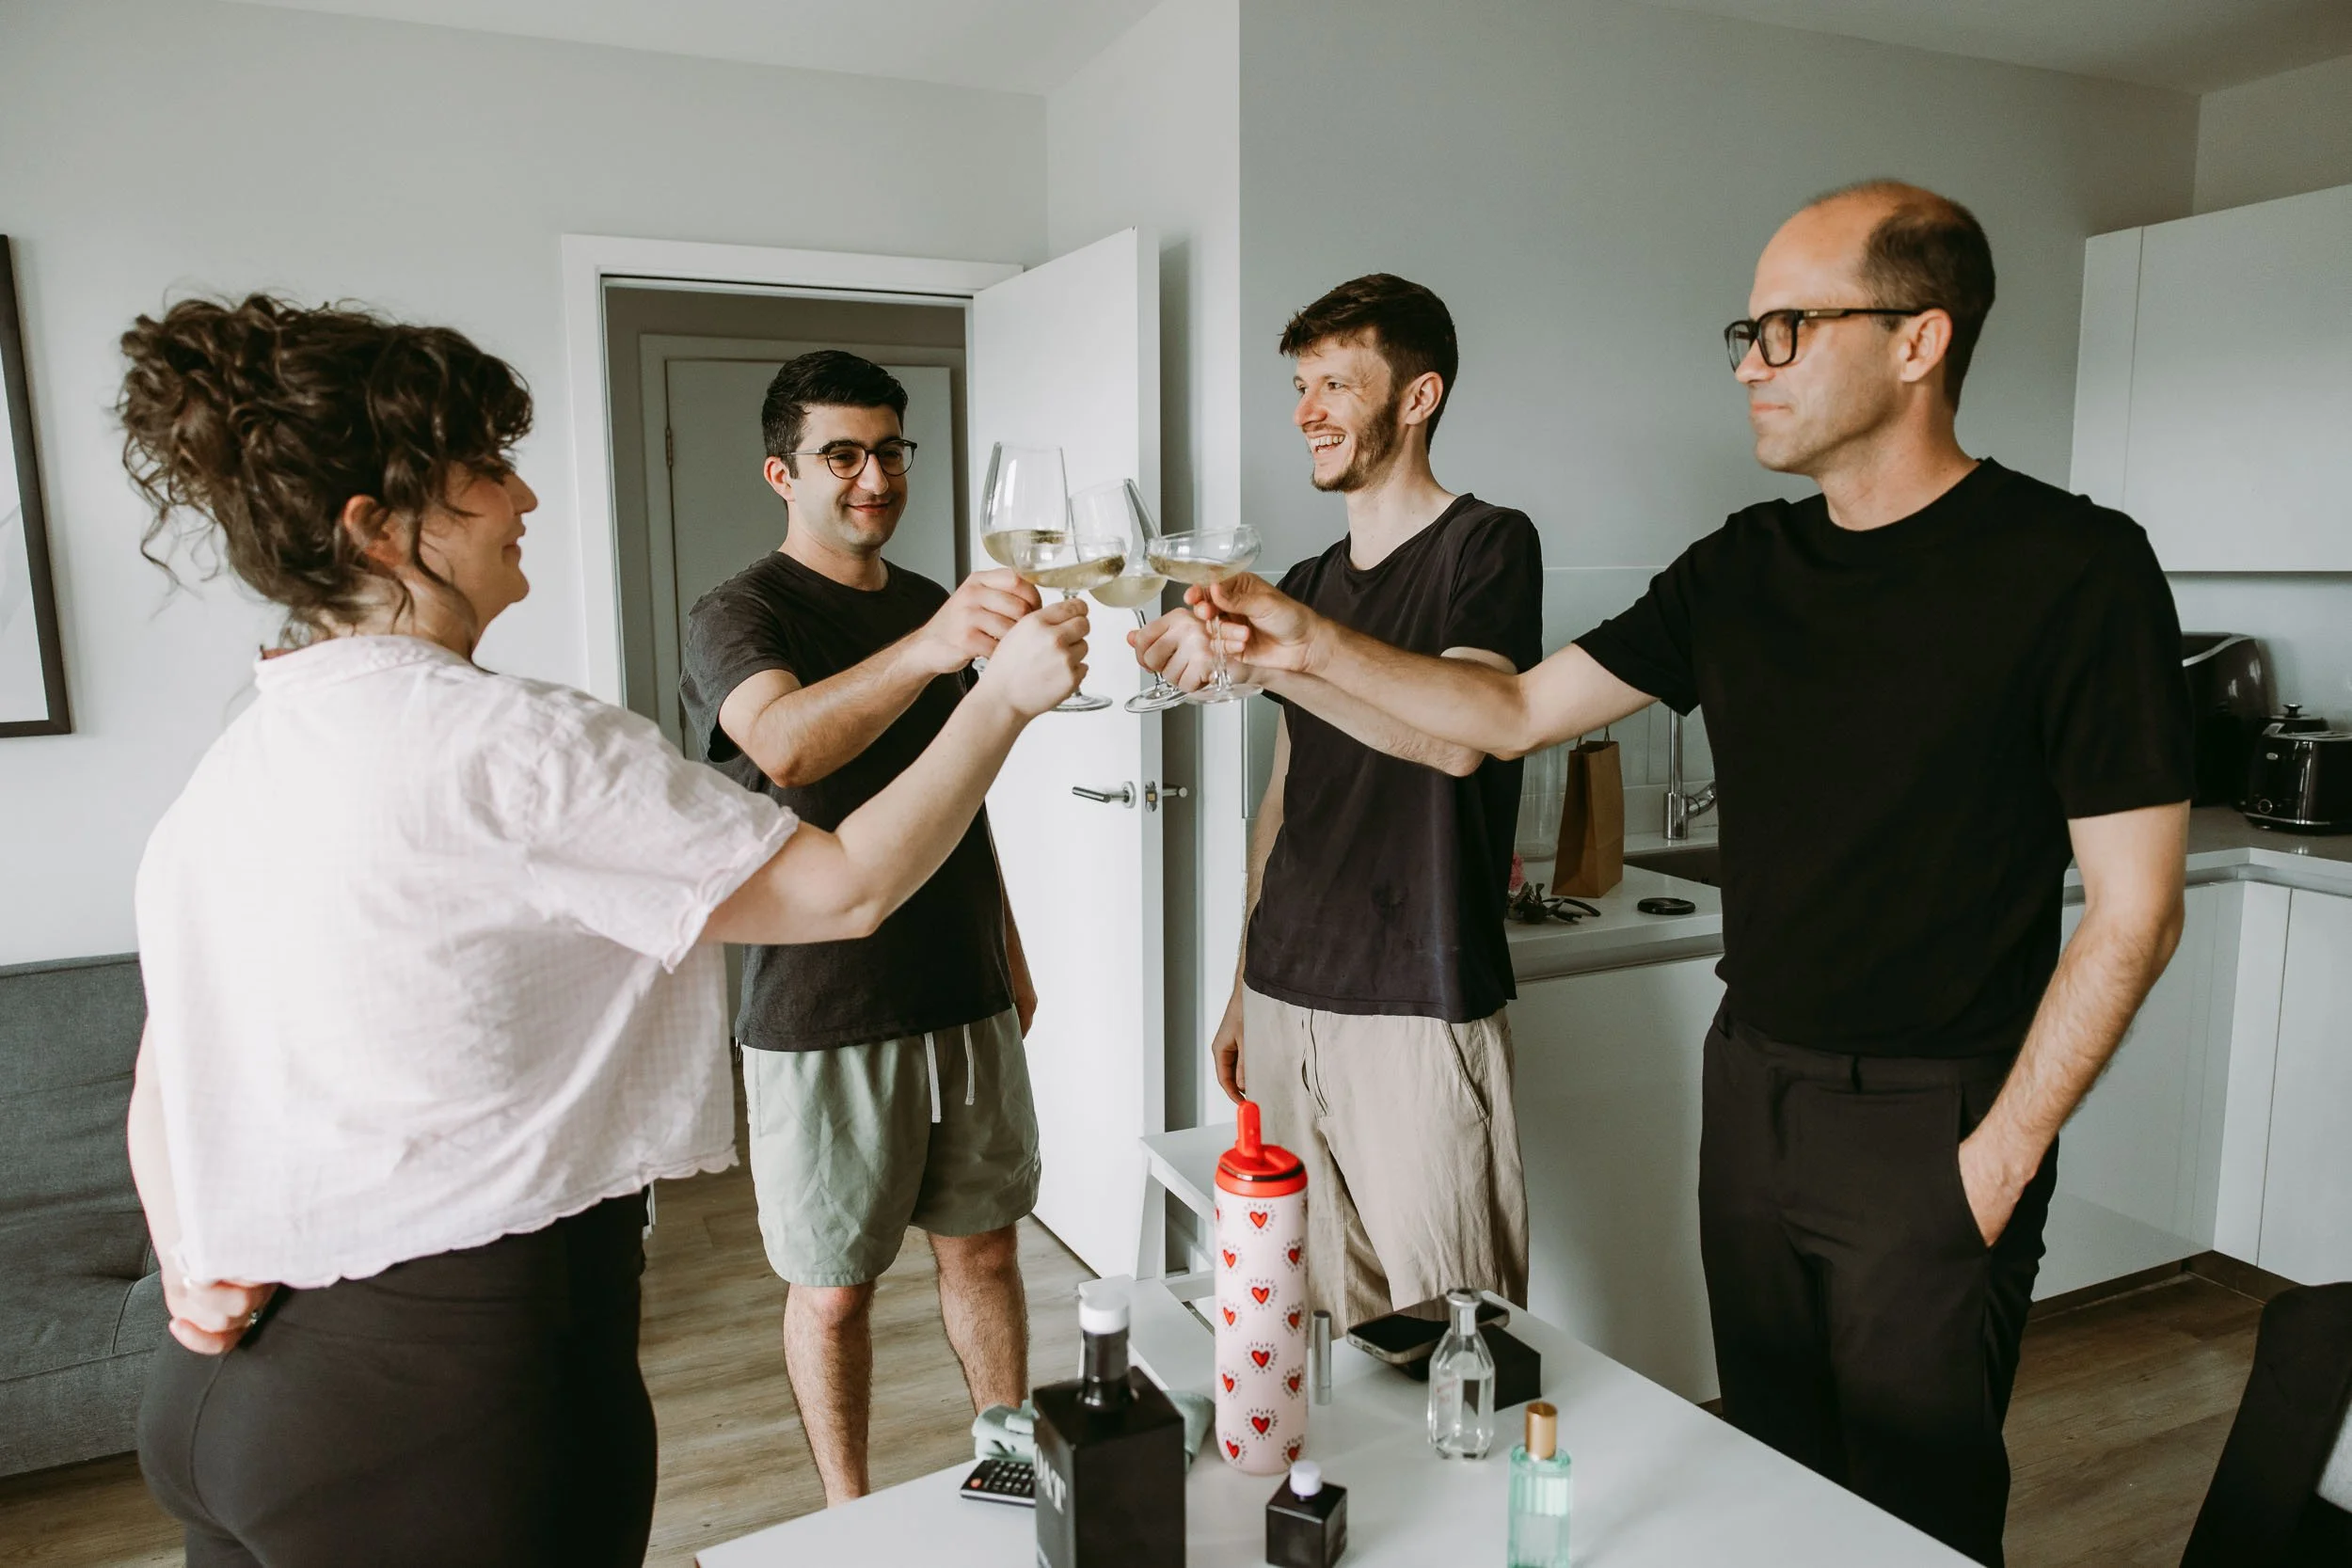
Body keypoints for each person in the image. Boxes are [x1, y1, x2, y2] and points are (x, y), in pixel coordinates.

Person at [1186, 183, 2193, 1566]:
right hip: (1754, 1081)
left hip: (1937, 1108)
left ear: (1918, 340)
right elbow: (1509, 716)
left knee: (1920, 1504)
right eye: (1748, 329)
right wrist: (1295, 638)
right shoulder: (1742, 565)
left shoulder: (2075, 569)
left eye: (1785, 328)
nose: (1746, 362)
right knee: (1765, 1472)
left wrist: (1999, 1154)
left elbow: (2136, 910)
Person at [117, 297, 1086, 1568]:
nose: (526, 495)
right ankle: (854, 1522)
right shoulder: (518, 742)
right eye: (486, 468)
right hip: (452, 1397)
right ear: (379, 524)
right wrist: (1004, 700)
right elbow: (840, 880)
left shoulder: (240, 758)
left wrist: (186, 1243)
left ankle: (991, 1467)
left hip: (230, 1396)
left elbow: (166, 1062)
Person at [1133, 275, 1542, 1332]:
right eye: (1301, 383)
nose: (1306, 409)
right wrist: (1239, 984)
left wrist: (1288, 655)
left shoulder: (1486, 544)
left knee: (1457, 1338)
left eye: (1335, 383)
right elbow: (1285, 798)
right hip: (1284, 993)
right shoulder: (1305, 578)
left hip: (1415, 1002)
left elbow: (1457, 739)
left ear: (1416, 398)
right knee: (1310, 1335)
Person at [677, 351, 1044, 1505]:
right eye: (844, 453)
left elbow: (957, 793)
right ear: (783, 470)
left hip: (961, 985)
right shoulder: (738, 611)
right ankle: (847, 1506)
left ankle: (1009, 1451)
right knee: (833, 1286)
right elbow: (783, 744)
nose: (874, 476)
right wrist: (935, 652)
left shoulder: (933, 599)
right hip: (819, 1004)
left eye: (890, 449)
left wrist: (1010, 951)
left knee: (985, 1243)